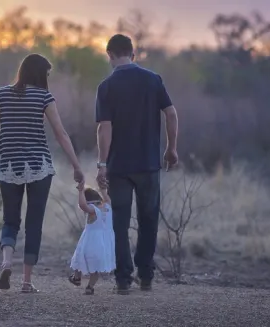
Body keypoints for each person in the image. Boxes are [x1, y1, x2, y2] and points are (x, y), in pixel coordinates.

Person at [0, 53, 84, 293]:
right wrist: (76, 165)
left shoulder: (1, 94)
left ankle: (7, 262)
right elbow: (61, 134)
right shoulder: (44, 97)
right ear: (40, 74)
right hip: (39, 166)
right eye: (47, 74)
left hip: (8, 165)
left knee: (10, 219)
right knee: (34, 223)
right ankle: (26, 282)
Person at [95, 34, 179, 294]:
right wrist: (171, 148)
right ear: (133, 54)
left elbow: (104, 128)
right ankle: (145, 276)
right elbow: (171, 113)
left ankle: (122, 279)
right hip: (148, 164)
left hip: (119, 167)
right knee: (148, 219)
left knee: (119, 222)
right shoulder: (153, 80)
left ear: (109, 55)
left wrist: (102, 164)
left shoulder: (106, 86)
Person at [68, 183, 115, 295]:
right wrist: (103, 189)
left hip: (91, 241)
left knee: (80, 258)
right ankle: (90, 287)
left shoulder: (93, 210)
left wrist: (80, 191)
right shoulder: (108, 206)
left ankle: (77, 277)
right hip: (105, 243)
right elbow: (106, 197)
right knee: (96, 267)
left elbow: (83, 205)